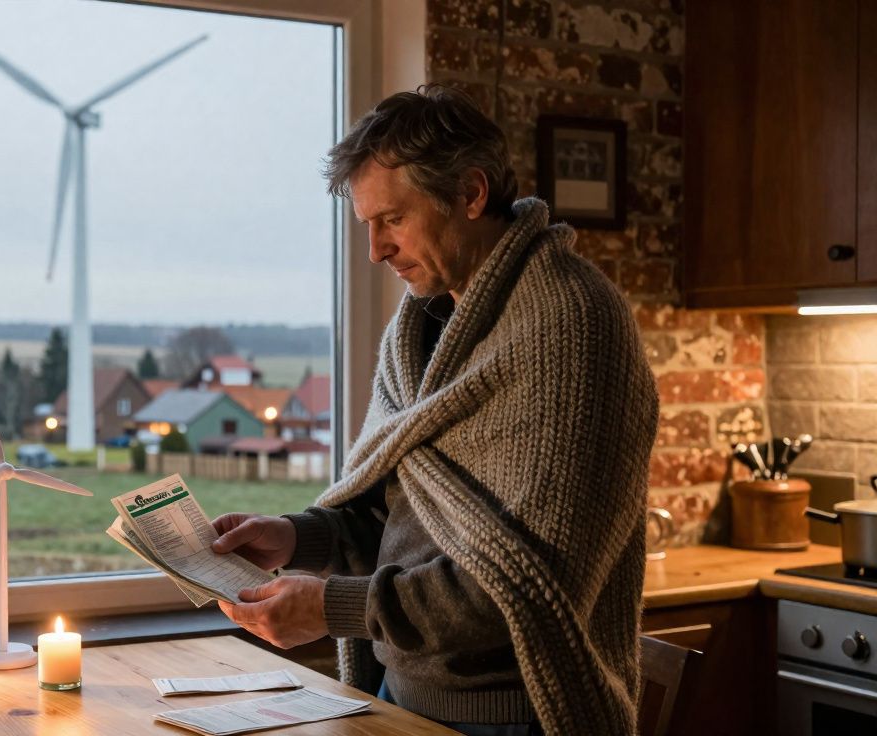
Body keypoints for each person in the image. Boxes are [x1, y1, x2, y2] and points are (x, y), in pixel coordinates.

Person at [210, 85, 659, 736]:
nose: (375, 250)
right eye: (367, 224)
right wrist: (296, 538)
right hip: (398, 695)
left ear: (470, 195)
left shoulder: (573, 329)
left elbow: (531, 590)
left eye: (392, 219)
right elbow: (397, 516)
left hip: (519, 716)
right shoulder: (419, 328)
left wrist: (332, 606)